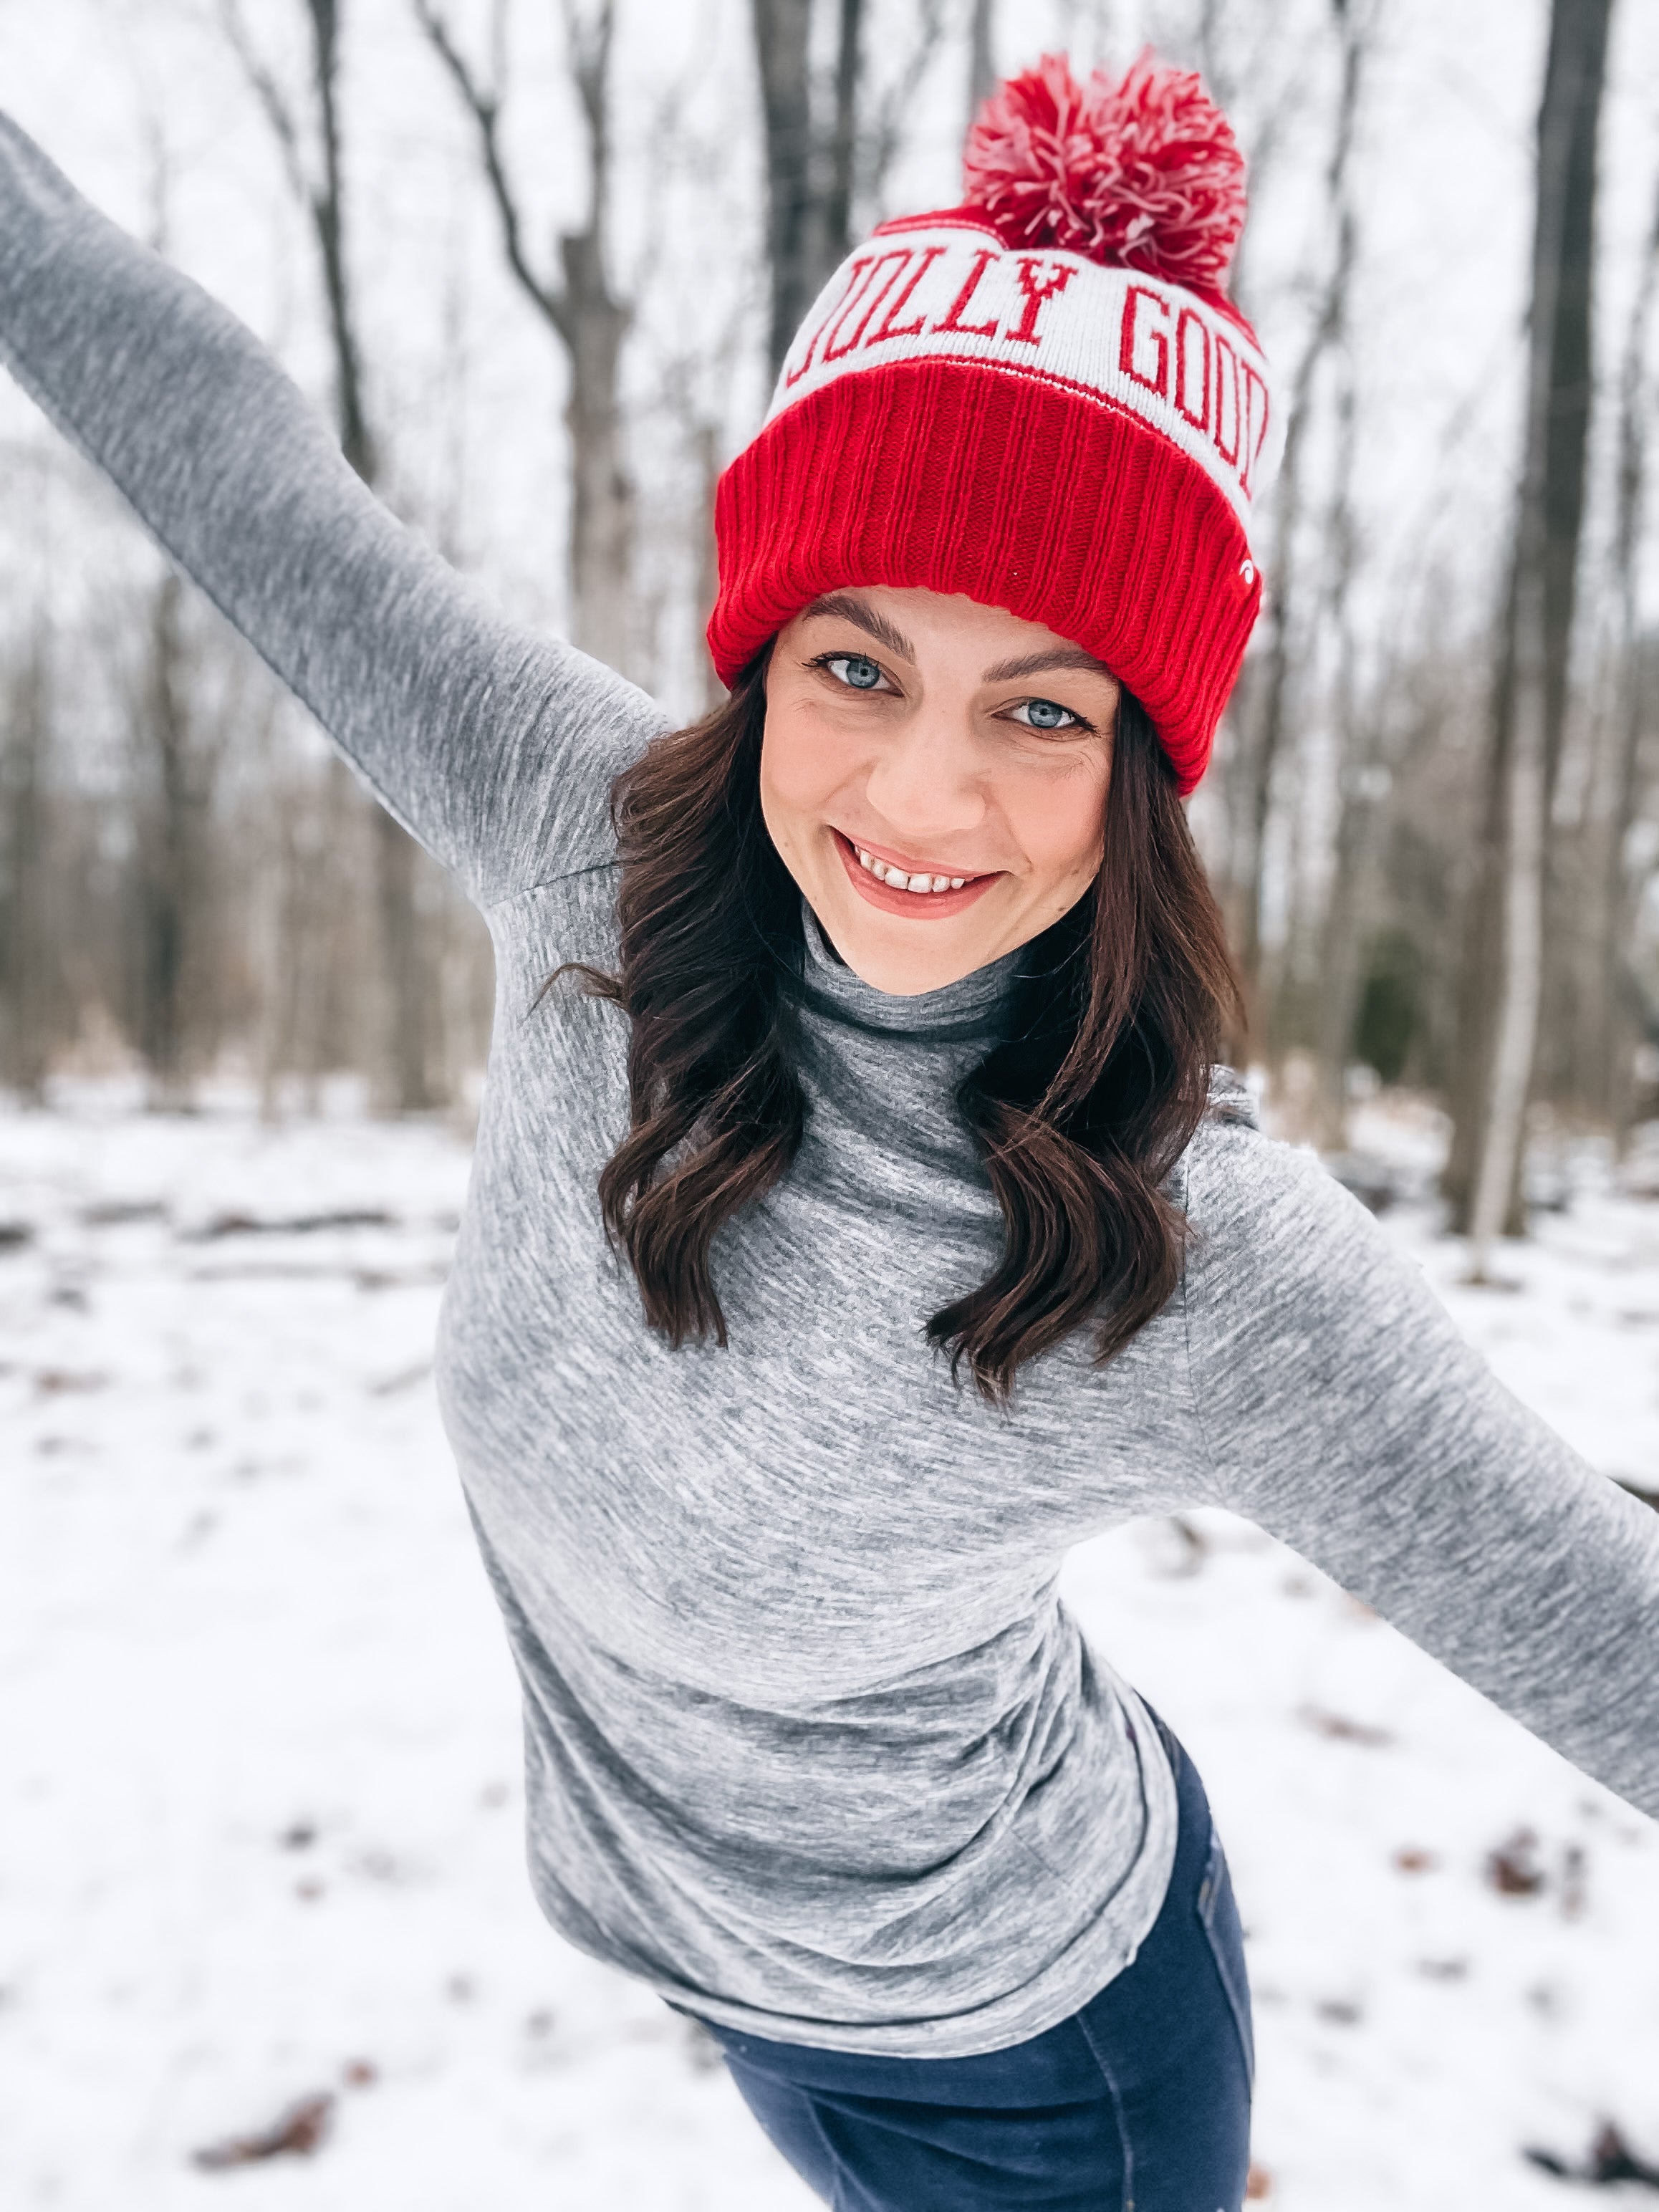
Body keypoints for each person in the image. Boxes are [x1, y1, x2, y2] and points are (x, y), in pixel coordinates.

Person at [2, 49, 1655, 2212]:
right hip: (737, 1995)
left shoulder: (1205, 1259)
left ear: (1141, 767)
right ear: (764, 658)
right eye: (857, 670)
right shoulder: (578, 838)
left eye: (1040, 711)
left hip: (1051, 2064)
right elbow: (229, 449)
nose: (917, 801)